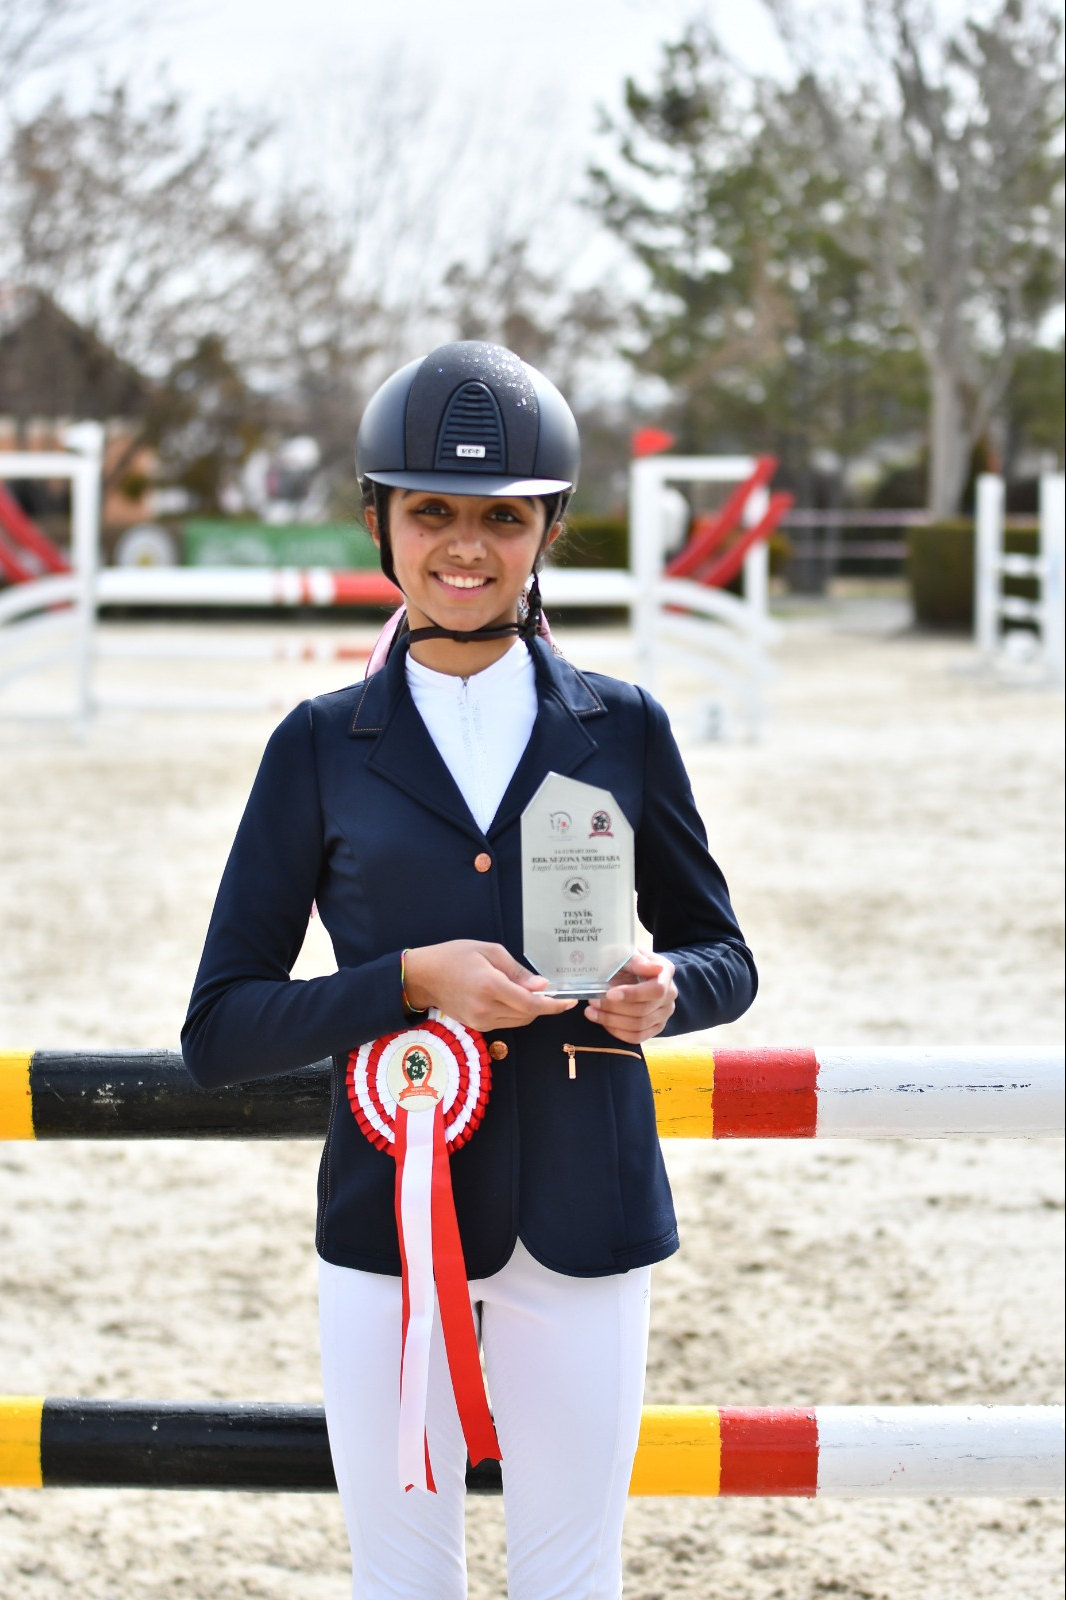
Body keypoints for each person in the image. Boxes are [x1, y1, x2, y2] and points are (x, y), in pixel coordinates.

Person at [182, 341, 757, 1600]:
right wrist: (408, 981)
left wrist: (670, 992)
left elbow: (727, 956)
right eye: (430, 511)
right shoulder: (320, 746)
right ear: (379, 520)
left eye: (502, 518)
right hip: (390, 1226)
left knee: (571, 1573)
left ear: (546, 529)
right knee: (403, 1583)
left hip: (585, 1215)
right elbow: (220, 1028)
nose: (464, 546)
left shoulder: (627, 726)